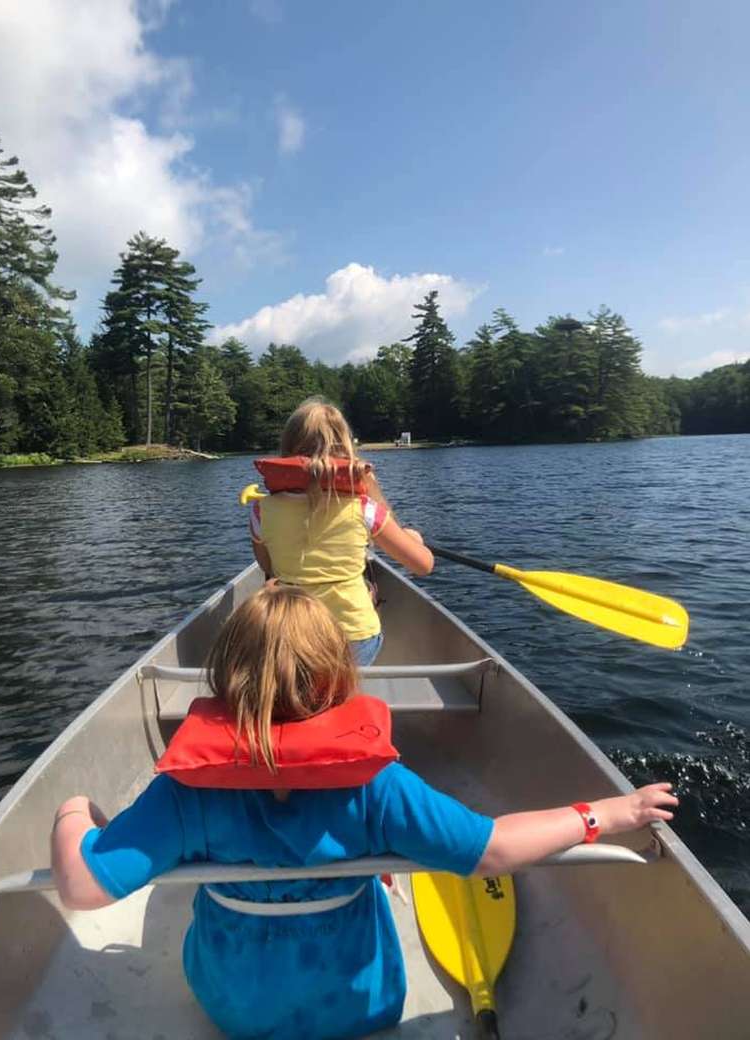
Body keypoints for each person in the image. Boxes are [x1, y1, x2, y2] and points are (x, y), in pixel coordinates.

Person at [52, 584, 678, 1040]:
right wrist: (603, 813)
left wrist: (73, 811)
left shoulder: (186, 790)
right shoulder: (376, 784)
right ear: (338, 680)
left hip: (234, 1010)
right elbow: (494, 850)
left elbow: (82, 887)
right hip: (361, 1007)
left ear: (225, 679)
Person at [248, 397, 434, 665]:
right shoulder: (364, 508)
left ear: (287, 450)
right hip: (355, 644)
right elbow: (423, 565)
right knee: (369, 589)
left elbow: (269, 567)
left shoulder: (260, 511)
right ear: (346, 450)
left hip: (292, 640)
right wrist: (412, 538)